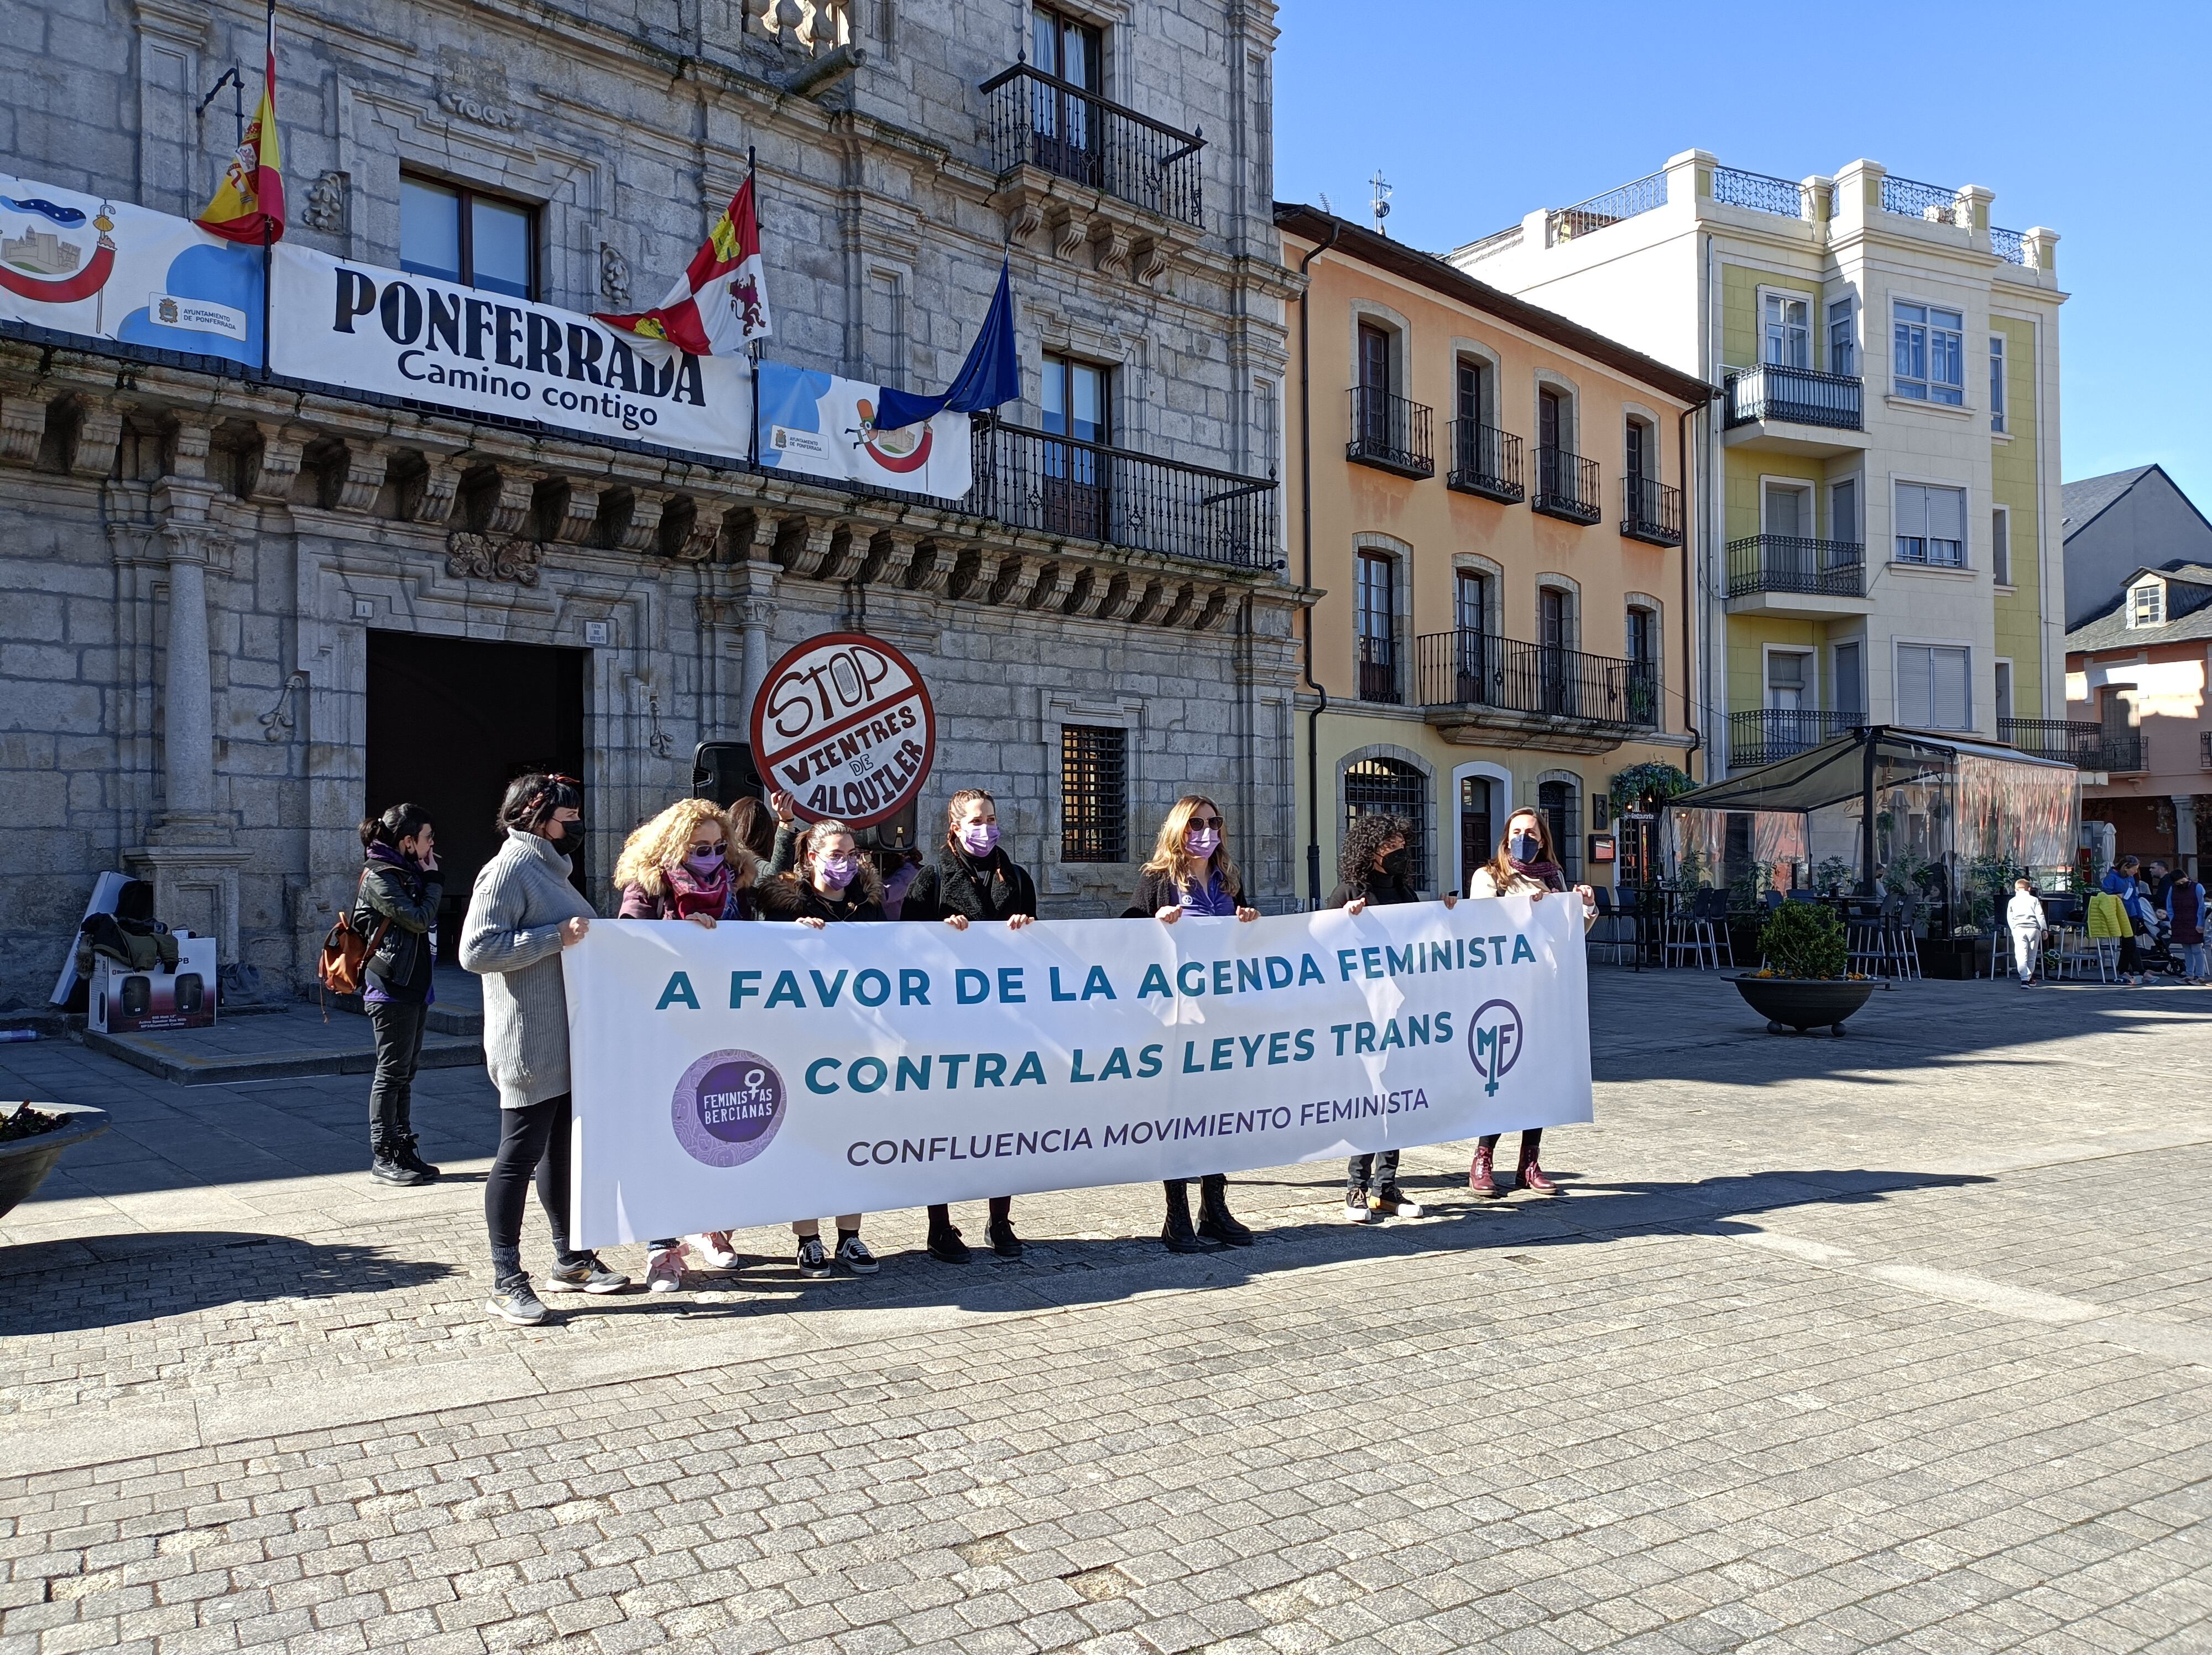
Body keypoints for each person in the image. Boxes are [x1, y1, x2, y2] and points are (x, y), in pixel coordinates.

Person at [461, 773, 629, 1326]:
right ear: (536, 818)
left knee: (560, 1149)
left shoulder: (546, 866)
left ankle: (571, 1258)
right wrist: (556, 936)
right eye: (568, 817)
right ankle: (507, 1278)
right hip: (528, 1038)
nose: (576, 825)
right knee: (518, 1155)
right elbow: (478, 949)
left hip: (564, 1036)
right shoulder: (509, 869)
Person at [615, 797, 759, 1291]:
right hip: (665, 1032)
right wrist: (675, 934)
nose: (713, 855)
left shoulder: (735, 884)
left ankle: (713, 1225)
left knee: (721, 1129)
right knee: (664, 1136)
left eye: (721, 846)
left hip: (721, 1027)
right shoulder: (649, 884)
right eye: (701, 847)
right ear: (676, 844)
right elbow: (627, 943)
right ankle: (661, 1248)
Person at [901, 789, 1037, 1262]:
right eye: (978, 819)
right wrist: (939, 932)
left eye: (993, 818)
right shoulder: (932, 878)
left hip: (1004, 1024)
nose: (988, 827)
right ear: (956, 826)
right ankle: (940, 1228)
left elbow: (1038, 949)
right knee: (944, 1128)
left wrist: (1026, 926)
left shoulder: (1016, 877)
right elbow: (905, 947)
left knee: (1004, 1126)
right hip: (947, 1024)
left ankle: (1000, 1222)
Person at [1126, 795, 1260, 1252]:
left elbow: (1246, 945)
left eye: (1214, 822)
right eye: (1197, 824)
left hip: (1222, 1016)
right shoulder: (1158, 881)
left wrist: (1248, 921)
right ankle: (1176, 1217)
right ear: (1179, 831)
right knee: (1180, 1117)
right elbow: (1125, 936)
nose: (1207, 831)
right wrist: (1154, 924)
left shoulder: (1229, 880)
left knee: (1218, 1115)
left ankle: (1215, 1210)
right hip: (1178, 1019)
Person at [755, 818, 885, 1278]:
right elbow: (761, 952)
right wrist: (793, 936)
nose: (846, 863)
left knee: (853, 1138)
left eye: (852, 854)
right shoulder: (785, 903)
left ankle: (850, 1237)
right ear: (811, 857)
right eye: (836, 854)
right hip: (801, 1039)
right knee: (806, 1139)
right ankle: (808, 1240)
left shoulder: (868, 904)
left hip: (856, 1038)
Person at [1327, 813, 1457, 1224]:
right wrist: (1343, 921)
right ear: (1368, 849)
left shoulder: (1406, 892)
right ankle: (1356, 1187)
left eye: (1401, 843)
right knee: (1368, 1098)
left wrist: (1448, 915)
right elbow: (1320, 950)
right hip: (1363, 1013)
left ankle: (1387, 1188)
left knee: (1396, 1097)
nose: (1397, 851)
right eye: (1388, 845)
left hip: (1404, 1011)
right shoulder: (1347, 893)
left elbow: (1422, 942)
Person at [1464, 808, 1596, 1199]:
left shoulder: (1553, 876)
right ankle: (1483, 1158)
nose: (1525, 838)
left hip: (1547, 990)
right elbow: (1480, 927)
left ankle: (1529, 1163)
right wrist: (1524, 910)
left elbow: (1570, 935)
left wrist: (1583, 906)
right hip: (1504, 992)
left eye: (1533, 833)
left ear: (1543, 841)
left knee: (1539, 1077)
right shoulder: (1490, 877)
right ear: (1507, 837)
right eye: (1518, 831)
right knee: (1501, 1076)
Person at [355, 803, 444, 1186]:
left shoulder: (407, 872)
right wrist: (436, 882)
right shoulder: (379, 875)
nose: (431, 846)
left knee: (406, 1072)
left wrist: (427, 880)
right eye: (427, 838)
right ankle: (383, 1153)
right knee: (390, 1073)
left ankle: (403, 1146)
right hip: (390, 987)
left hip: (414, 984)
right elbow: (418, 919)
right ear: (408, 842)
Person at [2098, 856, 2145, 985]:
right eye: (2134, 869)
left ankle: (2133, 970)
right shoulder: (2112, 877)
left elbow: (2135, 897)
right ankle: (2132, 970)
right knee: (2129, 942)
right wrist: (2115, 894)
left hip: (2131, 912)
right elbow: (2105, 893)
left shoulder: (2130, 878)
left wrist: (2140, 915)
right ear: (2126, 868)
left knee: (2130, 943)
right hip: (2119, 913)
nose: (2136, 872)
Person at [2005, 878, 2047, 988]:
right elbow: (2040, 915)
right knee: (2032, 956)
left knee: (2021, 955)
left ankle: (2024, 979)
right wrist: (2044, 929)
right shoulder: (2034, 900)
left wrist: (2013, 929)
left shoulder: (2012, 901)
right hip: (2033, 929)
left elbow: (2010, 918)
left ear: (2015, 890)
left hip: (2019, 929)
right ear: (2029, 889)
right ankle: (2029, 978)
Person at [2167, 868, 2207, 984]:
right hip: (2180, 922)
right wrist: (2172, 920)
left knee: (2196, 949)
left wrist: (2200, 924)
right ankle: (2189, 974)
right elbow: (2169, 906)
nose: (2181, 885)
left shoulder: (2198, 887)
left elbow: (2202, 906)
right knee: (2186, 950)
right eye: (2178, 883)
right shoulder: (2172, 889)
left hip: (2194, 922)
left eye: (2182, 882)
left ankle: (2200, 976)